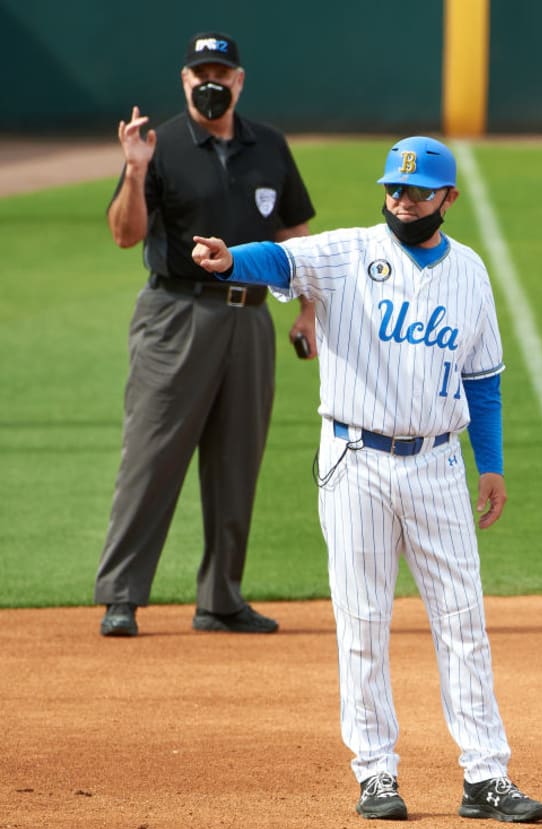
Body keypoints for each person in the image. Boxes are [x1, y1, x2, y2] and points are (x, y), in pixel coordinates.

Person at [191, 136, 542, 824]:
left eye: (416, 193)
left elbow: (485, 381)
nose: (401, 201)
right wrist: (233, 257)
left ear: (448, 199)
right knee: (362, 620)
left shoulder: (470, 272)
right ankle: (376, 773)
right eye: (393, 190)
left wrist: (491, 462)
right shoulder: (349, 252)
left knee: (463, 621)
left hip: (440, 463)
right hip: (355, 460)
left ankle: (485, 775)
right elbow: (281, 259)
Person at [95, 31, 316, 637]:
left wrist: (307, 310)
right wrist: (134, 174)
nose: (211, 83)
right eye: (200, 74)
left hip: (249, 317)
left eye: (222, 72)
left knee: (237, 458)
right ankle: (122, 595)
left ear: (239, 81)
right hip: (176, 314)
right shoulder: (157, 145)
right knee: (152, 454)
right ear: (185, 81)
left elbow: (295, 231)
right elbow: (124, 234)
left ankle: (221, 598)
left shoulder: (268, 145)